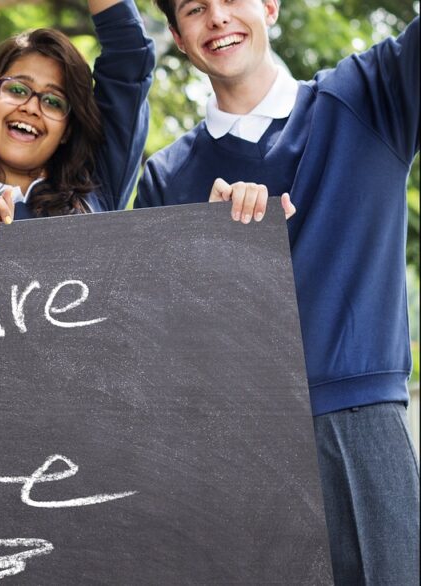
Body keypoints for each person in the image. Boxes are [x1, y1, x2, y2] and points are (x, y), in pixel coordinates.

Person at [135, 0, 420, 583]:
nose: (216, 17)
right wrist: (204, 250)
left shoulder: (369, 94)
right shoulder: (165, 177)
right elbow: (158, 347)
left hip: (359, 426)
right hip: (238, 446)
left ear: (270, 5)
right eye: (194, 8)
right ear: (177, 37)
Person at [0, 0, 154, 244]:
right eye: (17, 90)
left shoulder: (98, 186)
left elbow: (130, 56)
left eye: (54, 102)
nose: (32, 108)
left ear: (66, 130)